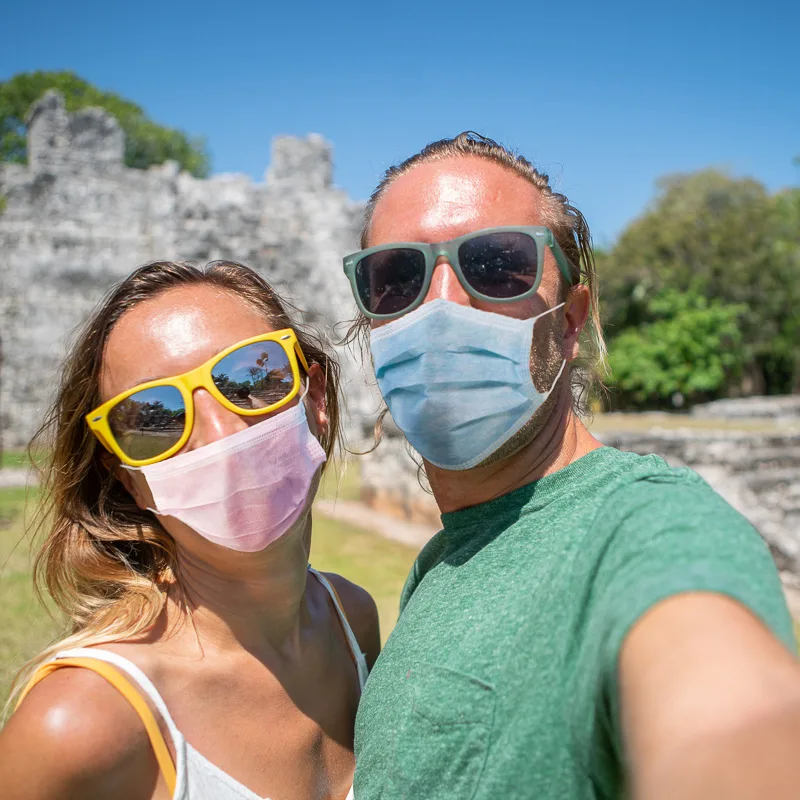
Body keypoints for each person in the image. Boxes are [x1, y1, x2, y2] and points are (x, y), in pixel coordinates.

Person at [344, 133, 800, 799]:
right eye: (397, 277)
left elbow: (720, 709)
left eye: (497, 265)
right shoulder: (443, 562)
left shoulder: (650, 527)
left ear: (569, 321)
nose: (442, 303)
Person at [1, 260, 380, 800]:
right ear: (128, 477)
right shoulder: (80, 724)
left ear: (313, 398)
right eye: (154, 417)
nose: (220, 434)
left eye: (251, 375)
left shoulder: (354, 623)